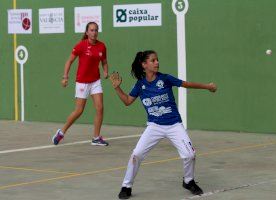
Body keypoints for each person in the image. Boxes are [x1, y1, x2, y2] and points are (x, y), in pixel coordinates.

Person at [109, 50, 217, 199]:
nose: (157, 62)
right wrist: (117, 87)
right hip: (154, 126)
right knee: (137, 154)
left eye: (157, 60)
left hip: (174, 125)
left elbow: (186, 84)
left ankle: (188, 180)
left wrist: (207, 86)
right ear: (144, 65)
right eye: (153, 60)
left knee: (190, 155)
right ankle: (126, 186)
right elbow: (127, 101)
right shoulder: (140, 85)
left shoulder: (165, 79)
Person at [52, 22, 109, 146]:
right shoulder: (81, 46)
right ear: (87, 32)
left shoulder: (102, 46)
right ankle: (61, 132)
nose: (94, 33)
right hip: (82, 82)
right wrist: (65, 76)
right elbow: (69, 61)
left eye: (96, 30)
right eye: (92, 30)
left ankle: (96, 137)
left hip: (95, 81)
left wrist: (105, 71)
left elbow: (104, 62)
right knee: (79, 111)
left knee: (100, 108)